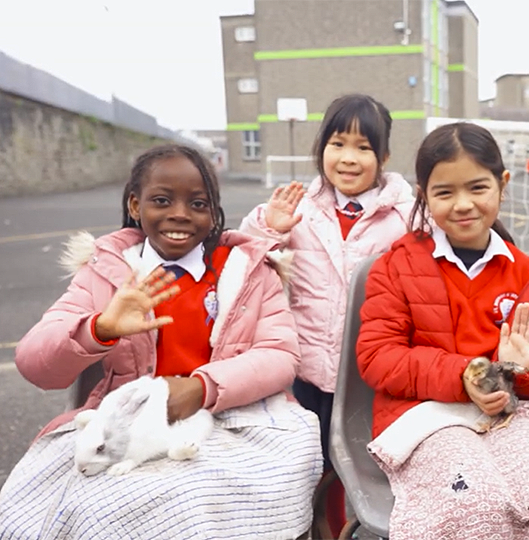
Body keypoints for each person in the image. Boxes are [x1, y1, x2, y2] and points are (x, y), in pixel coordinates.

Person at [0, 144, 322, 539]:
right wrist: (99, 328)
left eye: (198, 203)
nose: (180, 214)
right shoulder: (106, 273)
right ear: (135, 205)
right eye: (162, 200)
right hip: (130, 428)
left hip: (234, 416)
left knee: (222, 499)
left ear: (214, 212)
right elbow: (35, 363)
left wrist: (201, 387)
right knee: (79, 511)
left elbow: (280, 354)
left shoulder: (248, 270)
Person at [355, 122, 529, 540]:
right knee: (476, 503)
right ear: (424, 195)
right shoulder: (395, 267)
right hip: (429, 416)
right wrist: (467, 374)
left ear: (502, 184)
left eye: (478, 188)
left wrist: (521, 370)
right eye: (445, 193)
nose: (463, 205)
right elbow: (378, 358)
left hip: (521, 414)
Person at [239, 93, 413, 537]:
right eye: (338, 144)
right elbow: (243, 264)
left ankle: (348, 524)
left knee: (361, 463)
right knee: (306, 463)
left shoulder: (405, 217)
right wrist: (269, 230)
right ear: (321, 150)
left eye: (363, 147)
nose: (348, 158)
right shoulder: (296, 208)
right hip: (307, 371)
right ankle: (310, 524)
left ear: (384, 156)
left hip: (369, 376)